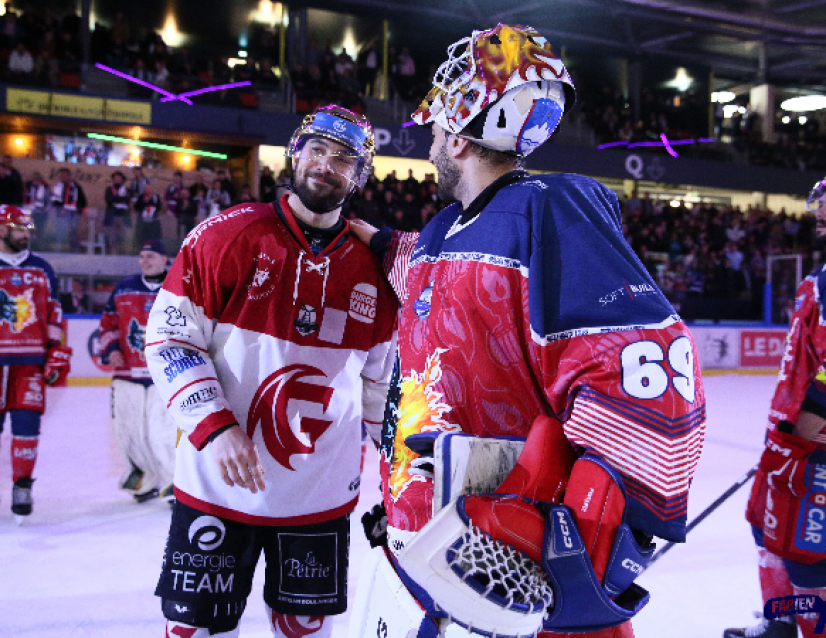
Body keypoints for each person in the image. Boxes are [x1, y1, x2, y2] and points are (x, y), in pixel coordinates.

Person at [348, 24, 707, 638]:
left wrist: (575, 548)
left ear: (460, 137)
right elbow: (428, 277)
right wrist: (366, 236)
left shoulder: (552, 209)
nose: (430, 136)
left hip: (506, 576)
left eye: (437, 124)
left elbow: (653, 377)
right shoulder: (442, 231)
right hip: (420, 553)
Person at [144, 105, 398, 638]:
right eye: (317, 150)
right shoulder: (225, 237)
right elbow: (170, 339)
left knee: (305, 632)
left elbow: (380, 385)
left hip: (319, 495)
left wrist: (401, 468)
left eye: (344, 158)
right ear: (295, 153)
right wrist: (215, 427)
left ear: (359, 175)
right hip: (217, 485)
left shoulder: (376, 268)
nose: (326, 165)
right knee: (194, 631)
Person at [725, 178, 826, 638]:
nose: (818, 220)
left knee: (806, 549)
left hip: (812, 442)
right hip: (790, 438)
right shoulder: (821, 280)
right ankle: (781, 619)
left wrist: (809, 431)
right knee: (764, 520)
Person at [0, 205, 72, 522]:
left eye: (28, 229)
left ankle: (22, 485)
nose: (26, 234)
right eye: (20, 229)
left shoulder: (42, 268)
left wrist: (55, 350)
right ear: (1, 230)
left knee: (27, 428)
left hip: (29, 361)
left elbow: (54, 312)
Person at [100, 239, 176, 505]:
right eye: (142, 256)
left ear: (165, 259)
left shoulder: (179, 285)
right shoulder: (124, 288)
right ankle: (144, 479)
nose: (145, 260)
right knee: (129, 432)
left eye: (151, 256)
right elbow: (108, 323)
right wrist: (110, 349)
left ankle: (174, 484)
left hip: (166, 375)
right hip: (128, 375)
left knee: (162, 432)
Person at [49, 167, 86, 252]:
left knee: (74, 232)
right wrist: (60, 208)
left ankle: (75, 251)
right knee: (61, 232)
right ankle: (57, 250)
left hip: (73, 212)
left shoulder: (76, 186)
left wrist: (80, 209)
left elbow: (82, 199)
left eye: (65, 175)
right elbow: (55, 200)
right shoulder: (58, 186)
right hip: (62, 212)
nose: (63, 177)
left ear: (69, 176)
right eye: (61, 175)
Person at [104, 171, 131, 254]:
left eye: (119, 178)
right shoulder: (109, 189)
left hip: (124, 215)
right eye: (115, 178)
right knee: (112, 237)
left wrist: (117, 198)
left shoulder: (127, 190)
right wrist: (122, 199)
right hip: (112, 215)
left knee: (126, 236)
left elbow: (128, 200)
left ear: (122, 179)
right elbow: (109, 199)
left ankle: (126, 254)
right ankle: (113, 254)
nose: (117, 180)